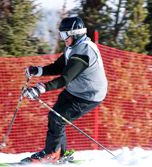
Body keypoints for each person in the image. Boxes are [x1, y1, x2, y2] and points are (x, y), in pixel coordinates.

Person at [22, 16, 108, 163]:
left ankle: (51, 154)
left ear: (75, 34)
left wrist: (40, 89)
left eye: (65, 35)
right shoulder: (73, 47)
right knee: (55, 117)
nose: (63, 39)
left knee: (57, 118)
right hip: (76, 90)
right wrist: (38, 70)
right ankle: (59, 153)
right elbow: (59, 66)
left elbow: (65, 78)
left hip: (88, 95)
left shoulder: (84, 51)